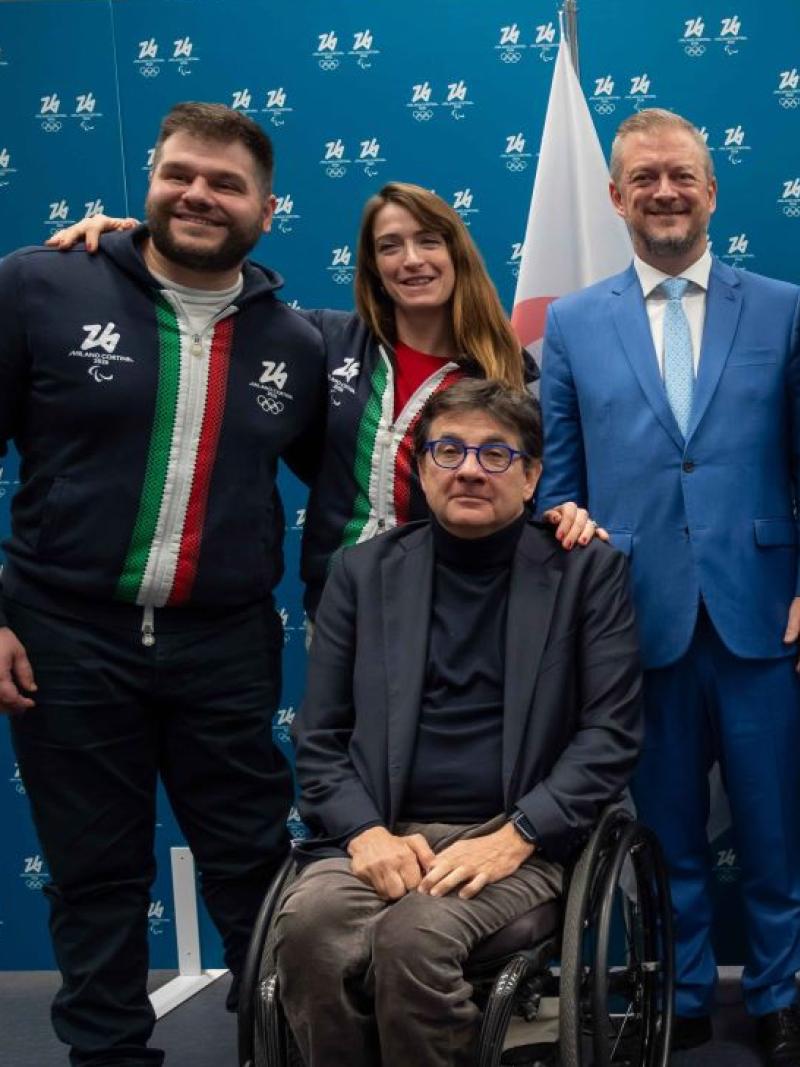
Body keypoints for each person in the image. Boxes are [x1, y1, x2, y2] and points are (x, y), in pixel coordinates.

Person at [0, 102, 327, 1066]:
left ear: (267, 210)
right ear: (148, 181)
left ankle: (282, 1046)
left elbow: (367, 472)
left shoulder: (299, 343)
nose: (198, 195)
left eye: (227, 184)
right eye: (180, 174)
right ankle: (109, 1055)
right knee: (94, 876)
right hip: (64, 637)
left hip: (224, 643)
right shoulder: (39, 285)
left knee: (254, 866)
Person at [274, 379, 643, 1067]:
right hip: (383, 830)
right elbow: (319, 738)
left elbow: (610, 735)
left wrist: (518, 834)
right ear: (422, 468)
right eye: (449, 450)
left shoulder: (586, 572)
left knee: (414, 940)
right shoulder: (361, 573)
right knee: (308, 929)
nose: (470, 469)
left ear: (531, 477)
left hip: (518, 840)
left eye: (496, 453)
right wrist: (365, 833)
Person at [536, 108, 800, 1066]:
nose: (664, 192)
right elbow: (556, 480)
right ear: (615, 196)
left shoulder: (782, 307)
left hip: (762, 610)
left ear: (711, 191)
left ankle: (778, 994)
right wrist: (563, 517)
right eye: (643, 178)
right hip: (635, 617)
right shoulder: (572, 323)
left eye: (681, 175)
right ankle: (683, 991)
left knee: (774, 828)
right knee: (670, 830)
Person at [52, 183, 603, 621]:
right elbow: (210, 291)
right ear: (373, 267)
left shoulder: (508, 372)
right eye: (390, 246)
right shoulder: (320, 340)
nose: (411, 260)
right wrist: (129, 246)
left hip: (461, 608)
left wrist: (562, 511)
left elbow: (527, 489)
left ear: (457, 254)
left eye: (428, 241)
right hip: (343, 607)